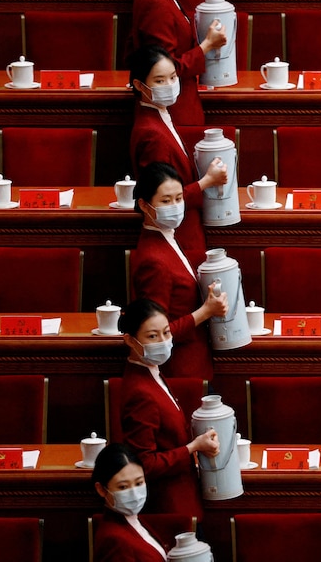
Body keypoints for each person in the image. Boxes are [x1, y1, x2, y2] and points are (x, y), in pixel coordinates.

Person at [118, 298, 220, 520]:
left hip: (184, 494)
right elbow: (145, 463)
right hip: (169, 504)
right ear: (130, 340)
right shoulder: (140, 393)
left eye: (166, 332)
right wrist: (193, 447)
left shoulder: (151, 372)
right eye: (152, 336)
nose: (163, 341)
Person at [131, 161, 227, 380]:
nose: (175, 206)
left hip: (195, 360)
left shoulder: (166, 237)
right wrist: (206, 311)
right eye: (166, 201)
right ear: (145, 205)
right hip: (181, 369)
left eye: (178, 198)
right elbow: (156, 334)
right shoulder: (153, 262)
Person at [129, 45, 228, 253]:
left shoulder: (159, 116)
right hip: (180, 232)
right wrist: (207, 181)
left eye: (173, 77)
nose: (169, 85)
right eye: (159, 81)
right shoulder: (153, 135)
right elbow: (162, 195)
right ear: (140, 85)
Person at [129, 0, 227, 125]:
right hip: (174, 111)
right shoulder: (154, 0)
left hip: (181, 106)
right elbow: (164, 69)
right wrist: (207, 45)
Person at [92, 443, 170, 562]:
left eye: (139, 483)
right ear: (101, 489)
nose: (134, 493)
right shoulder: (113, 541)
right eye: (123, 487)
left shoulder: (133, 520)